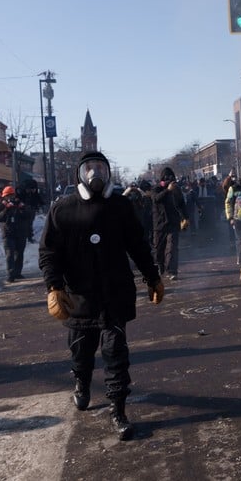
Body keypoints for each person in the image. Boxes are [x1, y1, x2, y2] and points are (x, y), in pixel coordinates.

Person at [39, 152, 164, 441]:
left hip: (114, 295)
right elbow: (49, 253)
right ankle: (81, 384)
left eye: (100, 168)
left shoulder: (120, 206)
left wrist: (152, 276)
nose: (95, 173)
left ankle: (118, 410)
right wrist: (54, 287)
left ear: (108, 173)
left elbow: (137, 244)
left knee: (116, 355)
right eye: (89, 168)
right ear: (79, 175)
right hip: (79, 298)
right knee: (81, 353)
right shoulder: (62, 209)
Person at [149, 166, 188, 280]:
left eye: (171, 178)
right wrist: (167, 190)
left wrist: (186, 217)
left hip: (173, 223)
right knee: (159, 249)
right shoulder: (156, 188)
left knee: (172, 248)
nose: (169, 180)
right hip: (159, 224)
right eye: (167, 178)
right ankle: (160, 265)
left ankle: (172, 271)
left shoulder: (176, 189)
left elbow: (181, 204)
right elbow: (156, 199)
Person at [0, 185, 33, 282]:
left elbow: (29, 215)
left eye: (11, 196)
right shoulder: (1, 206)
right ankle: (10, 274)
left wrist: (22, 208)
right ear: (4, 197)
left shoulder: (19, 204)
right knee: (10, 254)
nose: (10, 198)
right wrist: (6, 209)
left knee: (19, 254)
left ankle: (17, 272)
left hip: (20, 233)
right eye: (8, 196)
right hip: (8, 234)